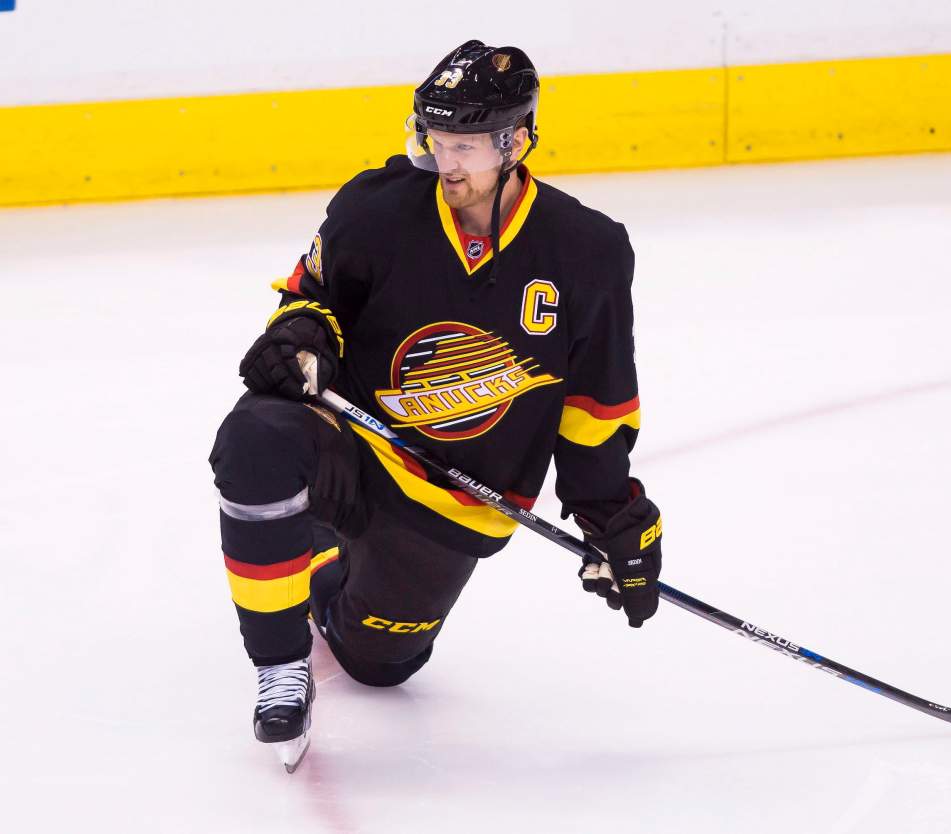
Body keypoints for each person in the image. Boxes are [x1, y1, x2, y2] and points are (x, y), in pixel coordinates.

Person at [209, 39, 664, 771]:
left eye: (464, 145)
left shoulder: (588, 250)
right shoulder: (376, 210)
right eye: (436, 140)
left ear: (515, 141)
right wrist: (295, 335)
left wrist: (612, 515)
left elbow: (596, 400)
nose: (446, 161)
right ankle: (279, 670)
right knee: (257, 436)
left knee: (380, 664)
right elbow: (312, 302)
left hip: (451, 496)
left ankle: (318, 553)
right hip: (354, 441)